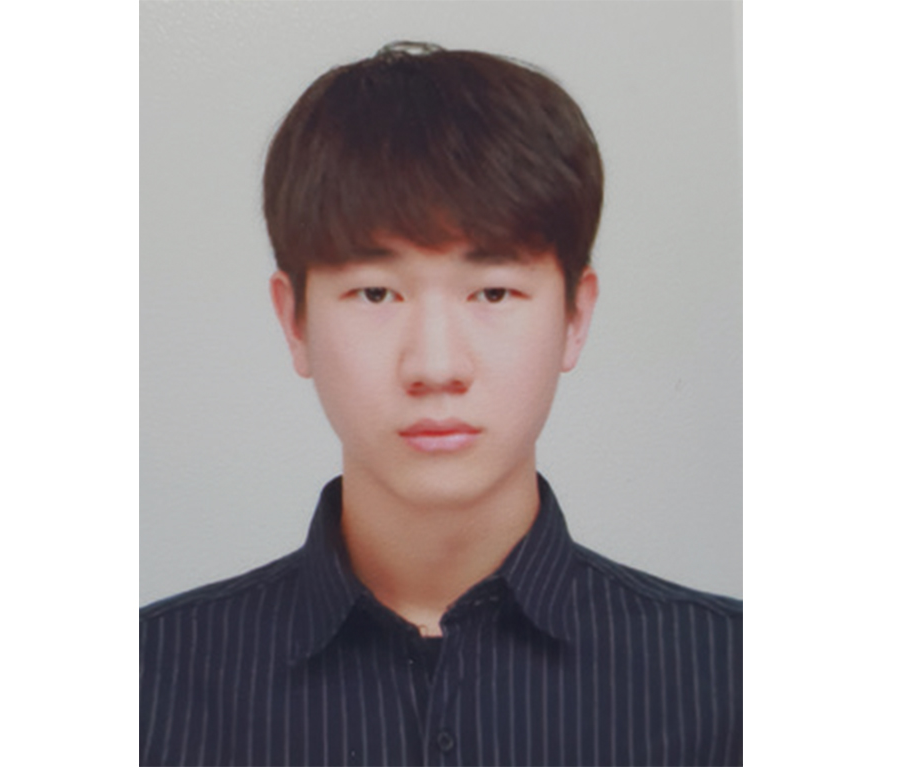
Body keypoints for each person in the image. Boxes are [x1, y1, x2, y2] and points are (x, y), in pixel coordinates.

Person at [140, 41, 742, 766]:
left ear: (575, 316)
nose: (435, 366)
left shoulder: (730, 683)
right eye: (375, 293)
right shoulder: (149, 686)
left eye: (493, 292)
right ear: (294, 320)